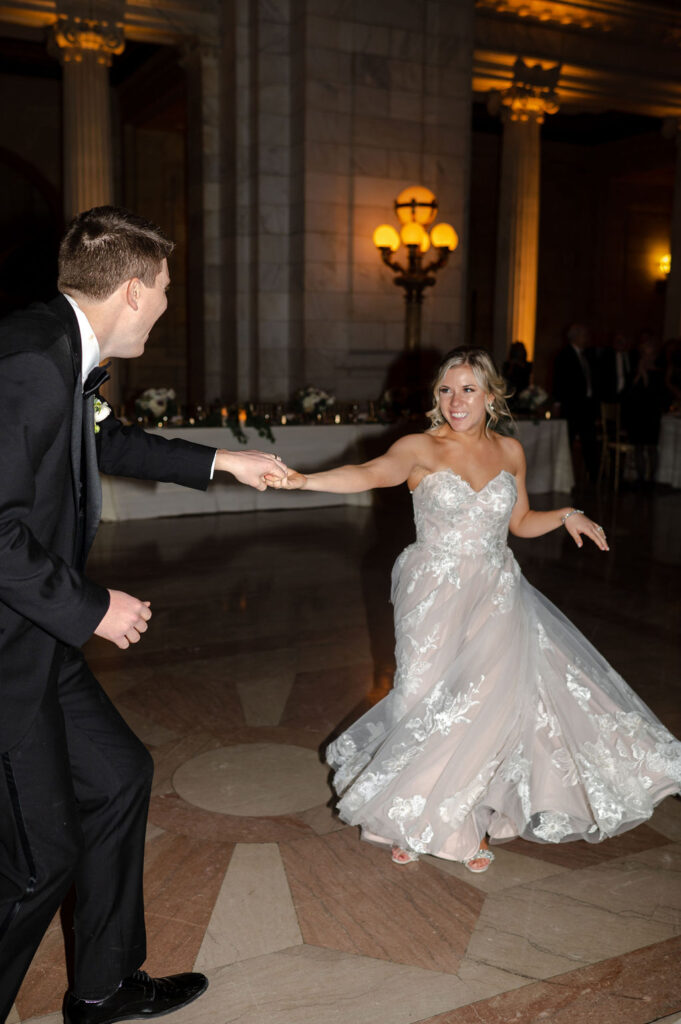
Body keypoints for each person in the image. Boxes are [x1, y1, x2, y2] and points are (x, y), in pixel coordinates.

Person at [0, 206, 287, 1024]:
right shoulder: (27, 361)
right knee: (34, 865)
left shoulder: (60, 350)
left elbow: (104, 439)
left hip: (36, 633)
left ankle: (100, 988)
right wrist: (91, 606)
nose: (165, 304)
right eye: (162, 289)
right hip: (9, 642)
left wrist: (221, 460)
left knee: (119, 776)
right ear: (133, 289)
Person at [266, 347, 681, 872]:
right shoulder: (421, 446)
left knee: (484, 703)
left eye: (467, 389)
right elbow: (371, 472)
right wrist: (306, 480)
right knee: (422, 700)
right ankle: (408, 814)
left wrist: (567, 514)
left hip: (498, 591)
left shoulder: (510, 451)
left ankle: (455, 825)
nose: (455, 400)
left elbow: (521, 521)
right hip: (434, 591)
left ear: (490, 395)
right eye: (445, 389)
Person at [553, 323, 599, 480]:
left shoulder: (587, 356)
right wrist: (557, 403)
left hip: (586, 406)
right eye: (585, 335)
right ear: (576, 336)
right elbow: (558, 381)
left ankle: (593, 474)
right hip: (571, 406)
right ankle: (564, 476)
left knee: (589, 440)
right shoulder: (564, 355)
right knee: (568, 441)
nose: (588, 338)